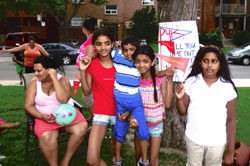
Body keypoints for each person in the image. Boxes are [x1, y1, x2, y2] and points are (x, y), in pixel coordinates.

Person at [174, 45, 238, 166]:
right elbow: (182, 111)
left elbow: (231, 121)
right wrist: (179, 99)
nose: (209, 65)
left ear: (220, 64)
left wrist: (230, 151)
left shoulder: (227, 87)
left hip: (217, 141)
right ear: (200, 62)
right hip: (193, 138)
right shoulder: (191, 82)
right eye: (206, 61)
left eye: (214, 61)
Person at [24, 55, 88, 166]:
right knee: (47, 137)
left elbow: (63, 100)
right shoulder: (34, 83)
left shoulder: (63, 81)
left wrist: (54, 78)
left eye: (39, 71)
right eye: (35, 71)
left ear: (49, 70)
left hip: (65, 116)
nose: (36, 74)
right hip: (44, 117)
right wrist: (41, 116)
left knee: (82, 128)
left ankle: (65, 161)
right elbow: (28, 106)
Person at [131, 45, 175, 166]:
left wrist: (170, 80)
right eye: (138, 61)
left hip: (156, 124)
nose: (141, 65)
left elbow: (168, 103)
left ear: (153, 62)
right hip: (140, 124)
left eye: (145, 61)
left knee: (153, 158)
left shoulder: (161, 80)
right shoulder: (134, 80)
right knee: (139, 155)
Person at [79, 29, 116, 166]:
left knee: (116, 156)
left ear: (112, 44)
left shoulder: (120, 63)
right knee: (91, 160)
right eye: (99, 44)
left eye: (107, 43)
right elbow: (87, 91)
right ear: (94, 46)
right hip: (100, 114)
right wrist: (83, 70)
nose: (103, 47)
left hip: (120, 113)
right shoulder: (92, 65)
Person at [112, 36, 150, 166]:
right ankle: (117, 160)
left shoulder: (139, 62)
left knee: (143, 131)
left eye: (132, 49)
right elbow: (99, 52)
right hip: (120, 103)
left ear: (137, 49)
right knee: (119, 130)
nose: (129, 53)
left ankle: (144, 161)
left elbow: (153, 65)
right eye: (125, 50)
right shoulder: (116, 56)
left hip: (136, 103)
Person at [76, 18, 97, 123]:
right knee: (90, 94)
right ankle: (93, 117)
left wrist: (83, 64)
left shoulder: (90, 40)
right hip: (87, 69)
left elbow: (90, 56)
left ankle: (95, 118)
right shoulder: (92, 39)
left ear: (84, 28)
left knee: (87, 96)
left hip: (88, 70)